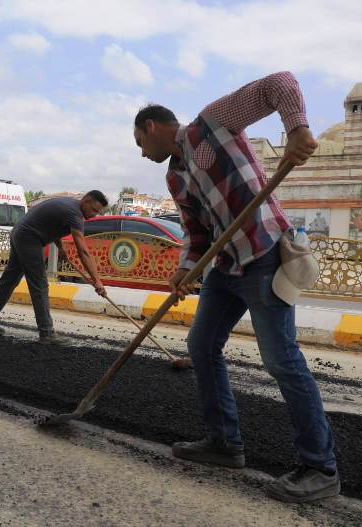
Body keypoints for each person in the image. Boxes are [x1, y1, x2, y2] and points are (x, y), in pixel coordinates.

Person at [133, 72, 339, 503]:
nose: (142, 153)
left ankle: (321, 468)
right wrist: (185, 268)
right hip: (224, 268)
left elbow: (278, 83)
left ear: (151, 127)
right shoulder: (175, 177)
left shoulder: (212, 123)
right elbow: (195, 231)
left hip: (263, 254)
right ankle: (224, 443)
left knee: (281, 360)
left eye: (140, 144)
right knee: (202, 346)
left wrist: (297, 127)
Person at [0, 191, 108, 344]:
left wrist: (61, 247)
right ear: (86, 201)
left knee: (9, 280)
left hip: (20, 232)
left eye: (98, 212)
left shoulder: (69, 206)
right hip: (29, 238)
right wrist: (97, 281)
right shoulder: (75, 213)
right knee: (39, 284)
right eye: (94, 210)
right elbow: (83, 250)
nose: (94, 215)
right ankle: (46, 333)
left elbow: (53, 224)